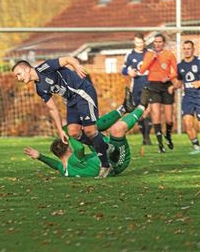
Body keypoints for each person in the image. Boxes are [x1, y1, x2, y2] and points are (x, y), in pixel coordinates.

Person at [12, 58, 134, 178]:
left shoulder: (44, 67)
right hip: (71, 100)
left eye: (19, 74)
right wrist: (60, 130)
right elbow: (52, 109)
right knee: (73, 132)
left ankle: (105, 165)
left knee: (90, 130)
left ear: (27, 69)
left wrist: (77, 66)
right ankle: (106, 146)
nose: (18, 78)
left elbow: (66, 59)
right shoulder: (40, 89)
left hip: (83, 92)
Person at [23, 88, 151, 177]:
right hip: (116, 162)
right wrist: (68, 132)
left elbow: (55, 165)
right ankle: (141, 107)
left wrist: (40, 156)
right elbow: (79, 148)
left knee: (90, 128)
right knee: (116, 129)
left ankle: (124, 108)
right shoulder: (73, 160)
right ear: (67, 148)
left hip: (104, 154)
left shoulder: (64, 169)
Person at [139, 33, 178, 153]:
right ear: (153, 43)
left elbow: (176, 72)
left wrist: (169, 77)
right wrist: (152, 59)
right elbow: (142, 70)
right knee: (156, 115)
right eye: (155, 42)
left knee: (169, 118)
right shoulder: (149, 54)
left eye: (160, 42)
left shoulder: (169, 54)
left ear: (163, 43)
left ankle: (168, 136)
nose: (157, 44)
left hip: (166, 86)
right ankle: (160, 144)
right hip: (153, 86)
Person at [122, 32, 152, 145]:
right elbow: (123, 70)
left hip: (149, 86)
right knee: (139, 113)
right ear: (134, 42)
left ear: (144, 42)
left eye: (141, 42)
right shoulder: (130, 55)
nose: (140, 44)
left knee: (147, 112)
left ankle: (147, 137)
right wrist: (129, 72)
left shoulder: (150, 54)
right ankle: (144, 136)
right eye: (137, 42)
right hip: (136, 87)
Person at [172, 40, 200, 152]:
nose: (187, 51)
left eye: (189, 48)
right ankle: (197, 147)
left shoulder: (199, 62)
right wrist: (173, 84)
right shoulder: (180, 66)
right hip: (187, 98)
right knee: (187, 124)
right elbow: (178, 82)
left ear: (193, 49)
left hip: (199, 97)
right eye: (185, 49)